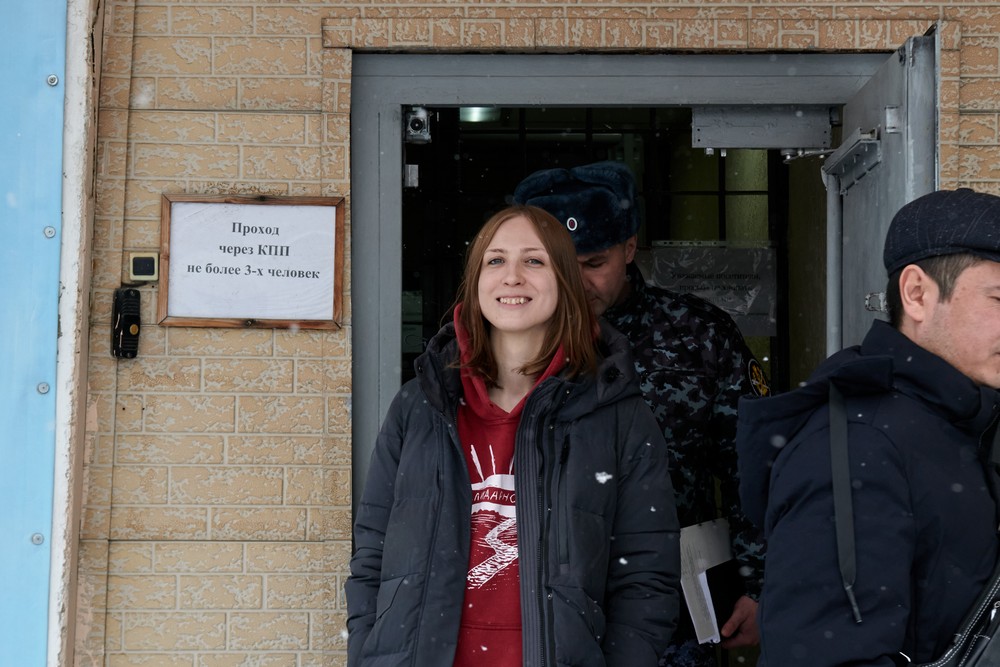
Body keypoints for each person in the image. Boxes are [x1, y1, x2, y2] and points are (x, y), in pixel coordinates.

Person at [345, 204, 681, 667]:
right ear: (476, 280)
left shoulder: (617, 415)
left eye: (534, 260)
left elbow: (646, 576)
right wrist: (369, 652)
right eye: (496, 260)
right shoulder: (420, 405)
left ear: (565, 280)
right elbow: (372, 556)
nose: (512, 276)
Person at [514, 161, 769, 666]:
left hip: (673, 605)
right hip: (537, 601)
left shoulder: (698, 334)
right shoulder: (508, 341)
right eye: (557, 265)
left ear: (629, 248)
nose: (576, 283)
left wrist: (758, 582)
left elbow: (755, 465)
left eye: (593, 263)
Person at [735, 188, 1000, 665]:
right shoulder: (859, 445)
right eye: (998, 297)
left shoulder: (972, 421)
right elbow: (825, 656)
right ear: (917, 294)